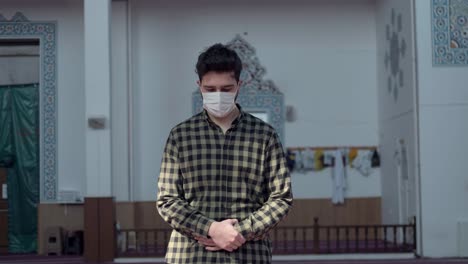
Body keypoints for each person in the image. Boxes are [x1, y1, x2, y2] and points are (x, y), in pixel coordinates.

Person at [157, 43, 293, 264]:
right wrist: (210, 228)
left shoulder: (265, 135)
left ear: (240, 85)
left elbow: (281, 198)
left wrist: (239, 232)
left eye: (226, 89)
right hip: (190, 254)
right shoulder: (180, 136)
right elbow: (167, 200)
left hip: (248, 254)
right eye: (210, 89)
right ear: (199, 85)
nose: (218, 95)